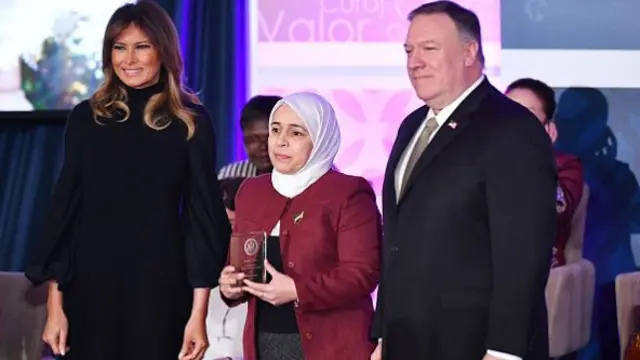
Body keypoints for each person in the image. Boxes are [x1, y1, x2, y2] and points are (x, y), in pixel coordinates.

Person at [24, 2, 231, 360]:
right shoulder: (87, 118)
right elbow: (65, 213)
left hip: (160, 288)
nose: (129, 59)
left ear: (163, 51)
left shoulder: (189, 120)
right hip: (90, 288)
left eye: (142, 46)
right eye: (120, 47)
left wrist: (198, 315)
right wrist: (56, 308)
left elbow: (203, 219)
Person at [370, 2, 557, 360]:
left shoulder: (512, 129)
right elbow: (397, 241)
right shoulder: (411, 126)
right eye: (409, 50)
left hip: (473, 345)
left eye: (429, 49)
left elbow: (522, 255)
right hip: (406, 338)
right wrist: (382, 336)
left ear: (470, 52)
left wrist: (504, 352)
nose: (414, 62)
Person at [218, 92, 381, 360]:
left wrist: (297, 291)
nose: (280, 141)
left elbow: (362, 273)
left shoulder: (348, 192)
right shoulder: (251, 191)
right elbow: (244, 262)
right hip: (265, 343)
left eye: (296, 133)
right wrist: (231, 285)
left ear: (320, 140)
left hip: (332, 346)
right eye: (275, 130)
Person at [506, 78, 585, 268]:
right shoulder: (482, 158)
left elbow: (559, 209)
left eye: (527, 114)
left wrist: (539, 160)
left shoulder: (566, 165)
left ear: (547, 127)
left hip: (533, 264)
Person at [217, 95, 282, 180]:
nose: (263, 147)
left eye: (269, 138)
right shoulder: (231, 175)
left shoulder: (303, 180)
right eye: (254, 140)